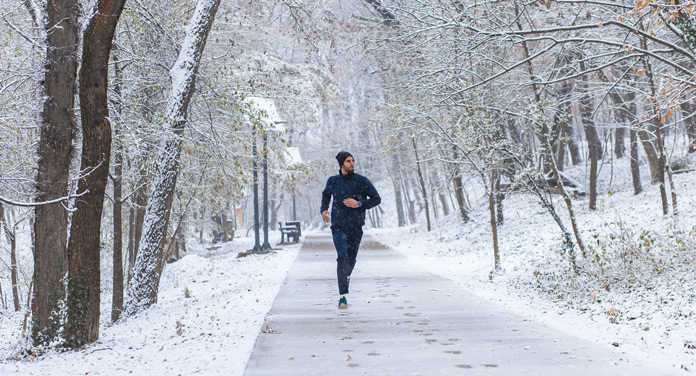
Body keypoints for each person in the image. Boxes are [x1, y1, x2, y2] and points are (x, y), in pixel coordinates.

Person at [321, 151, 381, 309]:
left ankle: (345, 277)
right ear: (341, 164)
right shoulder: (333, 181)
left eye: (353, 160)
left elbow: (376, 199)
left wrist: (359, 204)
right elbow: (326, 195)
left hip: (355, 226)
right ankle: (343, 297)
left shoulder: (361, 181)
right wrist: (323, 210)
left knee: (351, 260)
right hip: (338, 226)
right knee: (342, 257)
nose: (352, 163)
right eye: (348, 161)